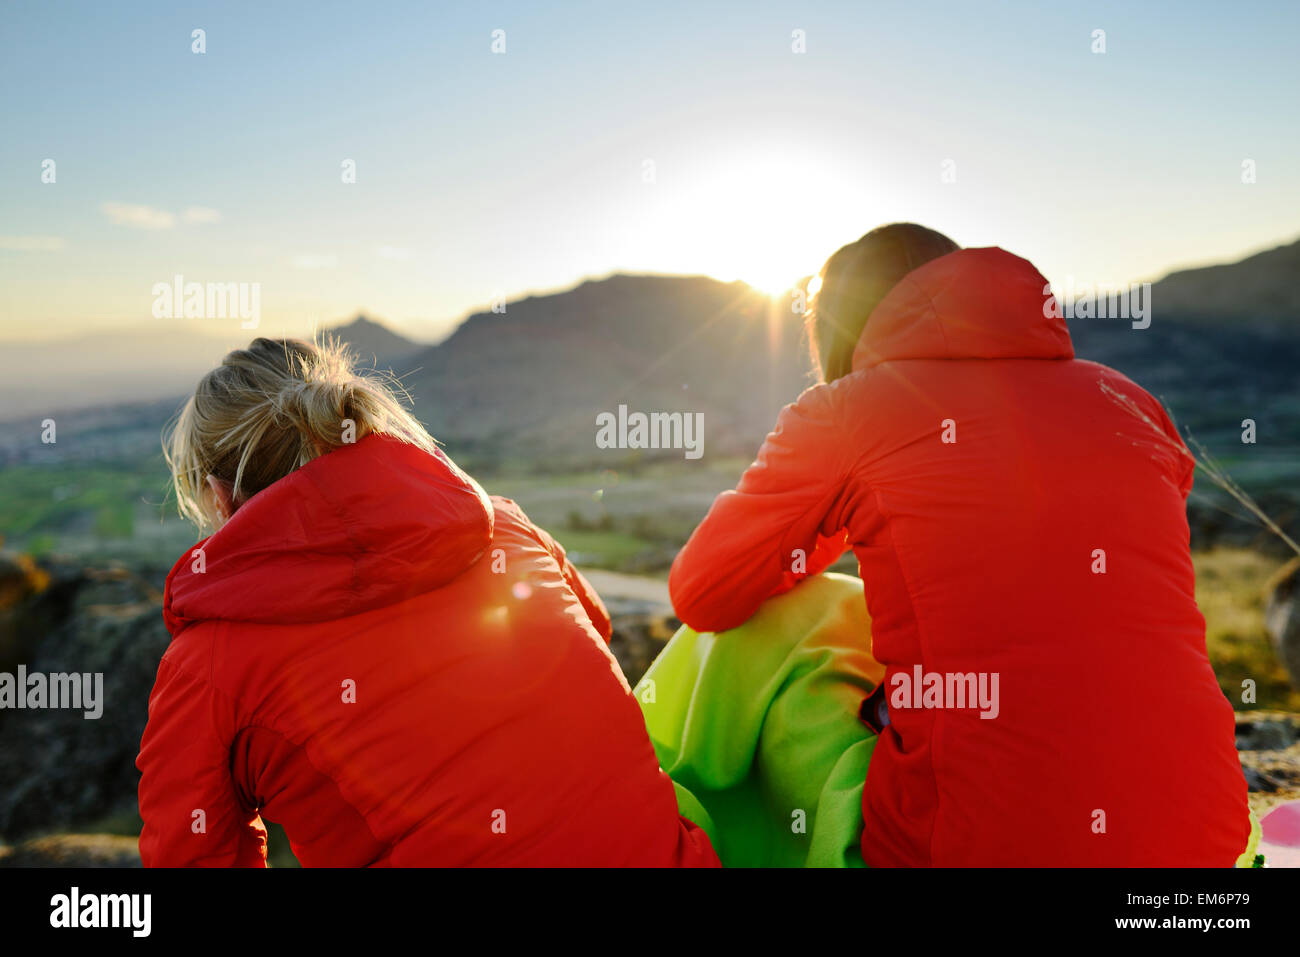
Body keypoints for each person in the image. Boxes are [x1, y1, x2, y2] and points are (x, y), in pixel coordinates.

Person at [664, 224, 1255, 866]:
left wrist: (834, 513)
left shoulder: (843, 411)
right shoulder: (1131, 400)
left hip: (970, 845)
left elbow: (704, 593)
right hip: (1199, 838)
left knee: (791, 622)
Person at [136, 337, 718, 867]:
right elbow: (595, 629)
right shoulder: (504, 531)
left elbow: (188, 855)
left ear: (217, 494)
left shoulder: (209, 668)